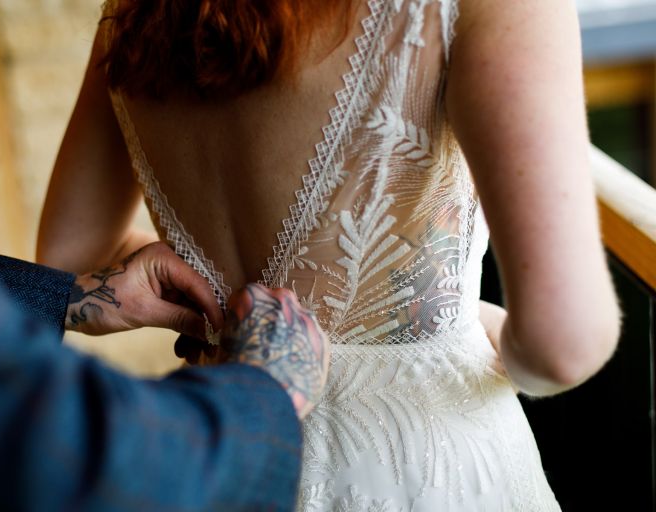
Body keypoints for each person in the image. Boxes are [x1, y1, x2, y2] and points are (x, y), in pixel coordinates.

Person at [37, 0, 622, 509]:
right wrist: (459, 332)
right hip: (427, 471)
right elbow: (564, 343)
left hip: (238, 451)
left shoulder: (139, 14)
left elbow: (72, 257)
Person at [0, 38, 330, 510]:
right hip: (254, 417)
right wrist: (262, 398)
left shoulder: (133, 21)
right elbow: (25, 442)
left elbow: (69, 253)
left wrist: (75, 296)